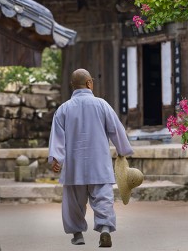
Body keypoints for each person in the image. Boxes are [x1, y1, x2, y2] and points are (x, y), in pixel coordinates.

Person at [49, 68, 134, 248]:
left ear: (73, 86)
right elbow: (116, 130)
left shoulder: (63, 109)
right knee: (103, 198)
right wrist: (122, 151)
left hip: (74, 167)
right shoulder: (102, 104)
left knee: (73, 203)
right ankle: (104, 228)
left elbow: (57, 137)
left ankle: (77, 234)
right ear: (89, 83)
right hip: (99, 164)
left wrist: (56, 159)